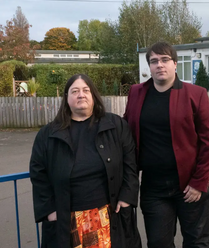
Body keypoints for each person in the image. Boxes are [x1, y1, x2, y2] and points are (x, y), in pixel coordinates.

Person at [124, 42, 209, 247]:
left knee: (196, 242)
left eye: (165, 60)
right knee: (158, 243)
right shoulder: (136, 93)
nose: (160, 65)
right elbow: (125, 131)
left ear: (175, 64)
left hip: (190, 186)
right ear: (149, 66)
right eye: (154, 61)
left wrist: (199, 183)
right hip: (153, 187)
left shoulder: (196, 94)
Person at [30, 74, 141, 248]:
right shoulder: (48, 134)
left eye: (85, 90)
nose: (81, 95)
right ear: (66, 98)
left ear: (93, 95)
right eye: (74, 91)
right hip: (68, 218)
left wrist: (127, 198)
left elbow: (130, 165)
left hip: (109, 215)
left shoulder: (116, 126)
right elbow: (38, 174)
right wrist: (50, 211)